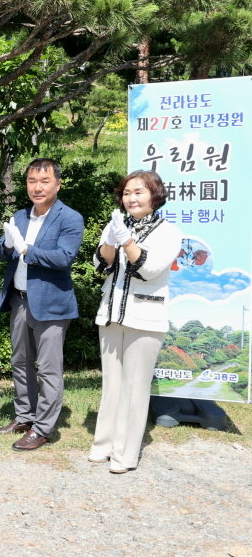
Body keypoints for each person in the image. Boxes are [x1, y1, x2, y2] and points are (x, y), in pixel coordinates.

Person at [90, 170, 181, 473]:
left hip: (146, 318)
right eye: (127, 193)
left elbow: (149, 268)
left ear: (155, 195)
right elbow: (100, 265)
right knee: (111, 385)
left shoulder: (169, 231)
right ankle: (103, 445)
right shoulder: (116, 224)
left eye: (139, 192)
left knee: (134, 388)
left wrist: (126, 240)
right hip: (112, 314)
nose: (131, 198)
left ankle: (125, 455)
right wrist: (109, 241)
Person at [0, 158, 84, 450]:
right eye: (32, 181)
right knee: (20, 363)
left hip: (51, 304)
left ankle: (43, 428)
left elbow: (64, 257)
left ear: (58, 183)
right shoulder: (20, 216)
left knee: (48, 368)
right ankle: (24, 416)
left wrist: (28, 250)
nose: (37, 187)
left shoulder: (69, 218)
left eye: (44, 181)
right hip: (19, 300)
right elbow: (1, 253)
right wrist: (7, 245)